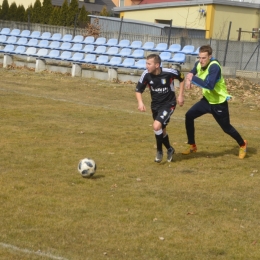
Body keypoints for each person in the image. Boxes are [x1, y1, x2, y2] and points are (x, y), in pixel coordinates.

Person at [183, 45, 247, 159]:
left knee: (226, 128)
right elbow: (192, 71)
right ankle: (192, 145)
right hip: (207, 101)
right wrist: (190, 76)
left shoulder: (214, 67)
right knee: (189, 116)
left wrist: (191, 79)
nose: (201, 60)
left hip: (218, 103)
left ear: (210, 57)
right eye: (199, 57)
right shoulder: (199, 64)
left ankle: (242, 144)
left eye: (204, 58)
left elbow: (210, 85)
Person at [135, 53, 185, 162]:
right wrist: (140, 103)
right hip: (155, 105)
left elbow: (182, 78)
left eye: (149, 64)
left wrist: (181, 95)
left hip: (169, 104)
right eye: (146, 63)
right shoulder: (146, 74)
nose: (146, 66)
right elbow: (138, 90)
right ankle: (170, 149)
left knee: (156, 126)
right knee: (162, 130)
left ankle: (159, 151)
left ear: (157, 65)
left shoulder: (169, 72)